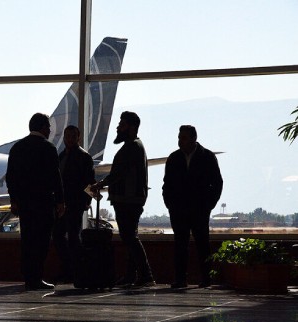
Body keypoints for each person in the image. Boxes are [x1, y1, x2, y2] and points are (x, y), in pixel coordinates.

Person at [92, 111, 154, 287]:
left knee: (129, 237)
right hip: (130, 199)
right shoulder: (135, 146)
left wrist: (100, 184)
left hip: (128, 201)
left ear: (132, 127)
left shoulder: (131, 147)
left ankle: (146, 274)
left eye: (122, 124)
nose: (118, 127)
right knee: (130, 237)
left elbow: (118, 173)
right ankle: (132, 275)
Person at [5, 112, 65, 291]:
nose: (49, 131)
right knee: (42, 242)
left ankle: (28, 277)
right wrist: (60, 201)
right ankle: (37, 277)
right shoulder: (48, 148)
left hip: (25, 204)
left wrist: (14, 199)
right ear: (43, 128)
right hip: (43, 202)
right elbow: (56, 177)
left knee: (28, 240)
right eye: (48, 127)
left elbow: (11, 177)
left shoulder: (18, 147)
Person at [162, 125, 223, 288]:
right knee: (180, 245)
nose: (179, 141)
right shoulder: (174, 158)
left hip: (199, 209)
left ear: (193, 139)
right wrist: (170, 204)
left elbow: (217, 183)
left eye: (183, 138)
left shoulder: (207, 157)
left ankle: (206, 279)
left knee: (202, 244)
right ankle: (180, 279)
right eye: (179, 137)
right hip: (178, 209)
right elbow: (167, 184)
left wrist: (208, 205)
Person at [52, 125, 95, 282]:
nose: (69, 139)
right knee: (58, 236)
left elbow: (90, 182)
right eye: (67, 136)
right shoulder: (61, 156)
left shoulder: (84, 157)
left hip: (75, 204)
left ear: (78, 138)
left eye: (72, 136)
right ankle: (68, 269)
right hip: (62, 205)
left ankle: (75, 271)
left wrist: (86, 202)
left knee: (73, 238)